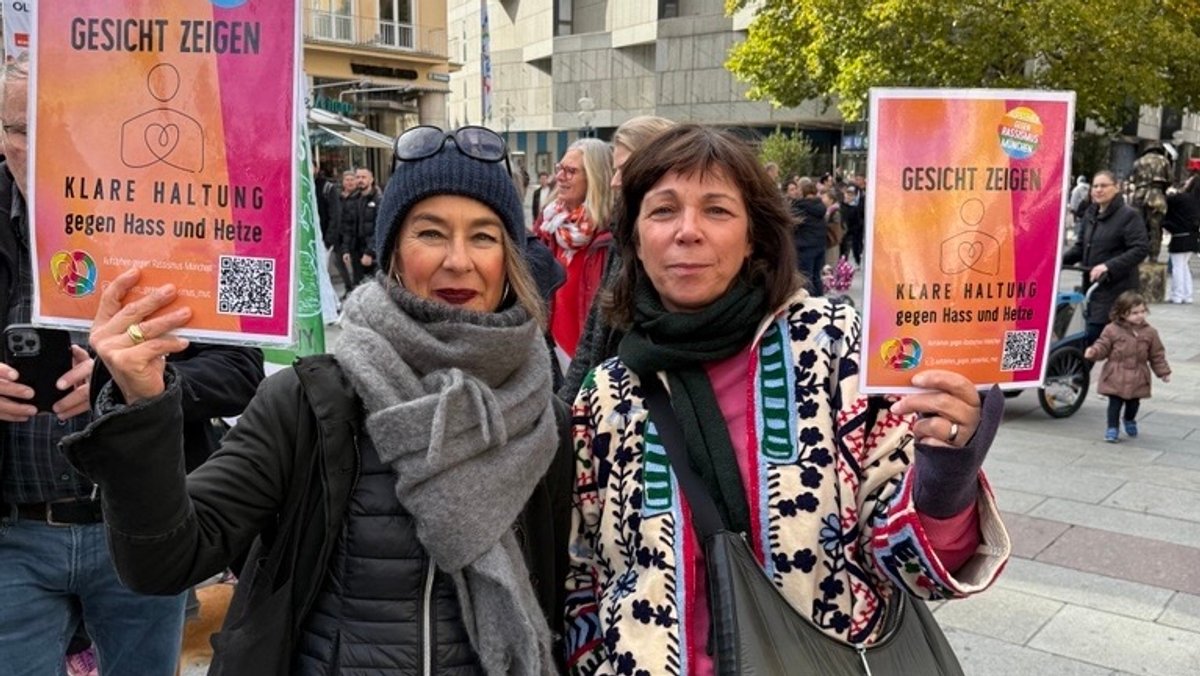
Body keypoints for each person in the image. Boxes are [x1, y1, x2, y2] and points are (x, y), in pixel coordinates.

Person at [63, 126, 573, 674]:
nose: (458, 259)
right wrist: (142, 405)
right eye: (430, 233)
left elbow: (556, 603)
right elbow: (165, 560)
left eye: (483, 237)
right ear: (392, 253)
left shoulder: (541, 418)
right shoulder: (309, 402)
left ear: (509, 259)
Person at [563, 125, 1009, 674]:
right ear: (634, 235)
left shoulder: (836, 348)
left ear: (754, 235)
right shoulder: (607, 394)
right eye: (663, 210)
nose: (688, 231)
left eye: (717, 210)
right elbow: (584, 573)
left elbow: (913, 567)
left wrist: (947, 473)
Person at [0, 55, 263, 676]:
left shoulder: (175, 217)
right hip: (13, 536)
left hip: (139, 529)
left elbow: (241, 370)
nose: (38, 150)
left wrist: (138, 386)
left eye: (58, 127)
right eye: (20, 129)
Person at [559, 115, 673, 403]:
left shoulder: (673, 247)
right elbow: (594, 333)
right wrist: (567, 406)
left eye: (624, 169)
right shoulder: (621, 238)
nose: (614, 181)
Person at [537, 138, 614, 372]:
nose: (560, 177)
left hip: (592, 357)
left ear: (594, 178)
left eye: (571, 171)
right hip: (551, 348)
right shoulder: (548, 223)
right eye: (559, 168)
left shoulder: (611, 234)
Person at [1062, 170, 1149, 346]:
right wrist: (1057, 262)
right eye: (1095, 186)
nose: (1098, 190)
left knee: (1095, 339)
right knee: (1084, 338)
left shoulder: (1128, 215)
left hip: (1117, 291)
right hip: (1092, 287)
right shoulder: (1090, 214)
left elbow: (1140, 249)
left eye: (1103, 186)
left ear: (1116, 188)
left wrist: (1108, 266)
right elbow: (1080, 247)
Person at [1084, 291, 1171, 443]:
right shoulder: (1111, 329)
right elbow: (1103, 345)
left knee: (1133, 403)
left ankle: (1129, 419)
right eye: (1134, 313)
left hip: (1138, 375)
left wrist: (1163, 372)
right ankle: (1112, 428)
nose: (1140, 315)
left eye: (1143, 311)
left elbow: (1157, 354)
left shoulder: (1150, 332)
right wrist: (1094, 352)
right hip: (1116, 373)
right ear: (1122, 313)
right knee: (1114, 403)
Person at [339, 167, 382, 287]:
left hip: (373, 254)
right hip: (356, 252)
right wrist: (346, 249)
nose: (360, 180)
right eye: (358, 177)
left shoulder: (379, 199)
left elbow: (380, 228)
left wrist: (370, 252)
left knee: (374, 287)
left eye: (364, 177)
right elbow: (348, 226)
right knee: (358, 285)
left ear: (371, 179)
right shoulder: (353, 199)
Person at [1163, 176, 1199, 303]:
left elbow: (1168, 201)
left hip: (1179, 236)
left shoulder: (1181, 198)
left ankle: (1177, 295)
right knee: (1184, 266)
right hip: (1192, 236)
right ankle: (1187, 295)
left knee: (1178, 266)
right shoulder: (1196, 201)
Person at [790, 177, 827, 295]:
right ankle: (820, 300)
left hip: (804, 247)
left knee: (806, 279)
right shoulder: (820, 207)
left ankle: (809, 301)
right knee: (816, 276)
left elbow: (791, 225)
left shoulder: (800, 207)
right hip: (819, 246)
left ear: (802, 191)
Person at [328, 169, 358, 295]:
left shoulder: (359, 197)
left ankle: (355, 288)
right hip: (339, 236)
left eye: (352, 180)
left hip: (353, 236)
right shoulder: (338, 197)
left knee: (354, 265)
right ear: (343, 182)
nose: (349, 182)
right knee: (338, 262)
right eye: (347, 180)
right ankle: (348, 287)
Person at [839, 182, 865, 265]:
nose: (848, 197)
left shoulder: (855, 209)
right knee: (840, 253)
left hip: (849, 234)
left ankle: (844, 266)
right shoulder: (840, 206)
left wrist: (850, 230)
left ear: (854, 197)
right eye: (847, 194)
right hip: (840, 234)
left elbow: (858, 222)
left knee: (845, 253)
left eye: (851, 195)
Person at [822, 185, 844, 267]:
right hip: (829, 241)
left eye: (824, 197)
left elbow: (836, 226)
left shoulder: (835, 211)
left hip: (832, 241)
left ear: (831, 200)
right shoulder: (827, 210)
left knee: (831, 264)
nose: (822, 199)